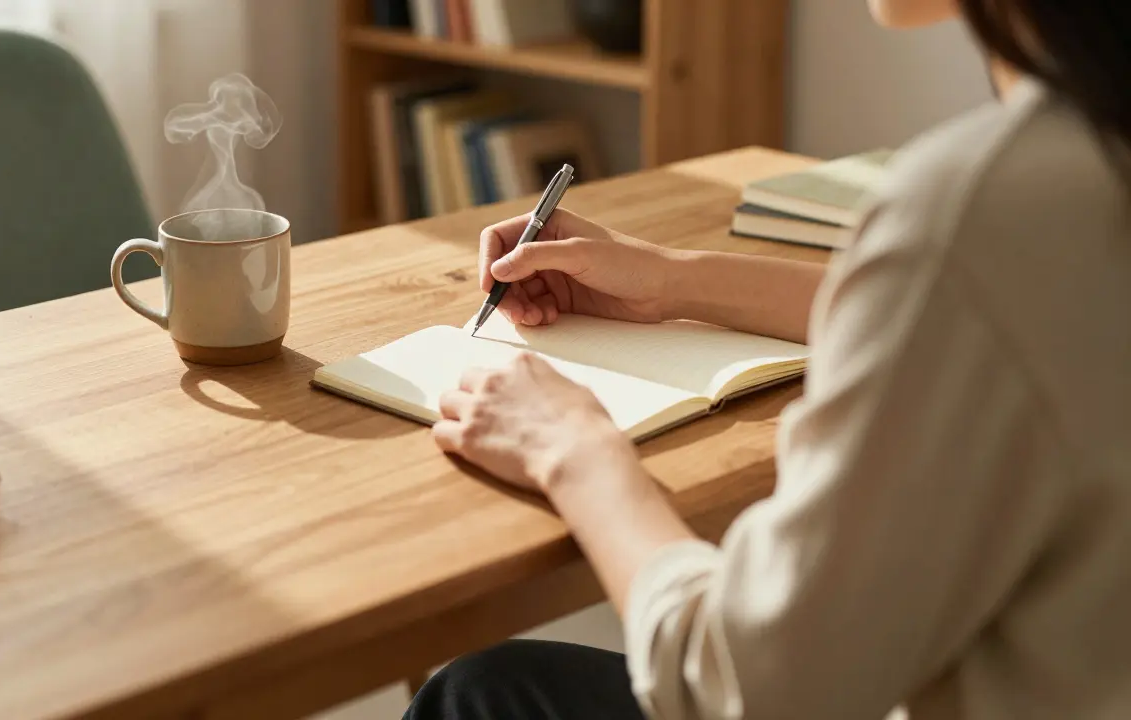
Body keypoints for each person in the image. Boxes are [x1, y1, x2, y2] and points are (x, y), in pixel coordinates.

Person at [403, 0, 1131, 718]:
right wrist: (671, 280)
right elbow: (1001, 319)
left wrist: (572, 448)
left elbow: (744, 688)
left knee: (478, 698)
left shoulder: (980, 206)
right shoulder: (1077, 169)